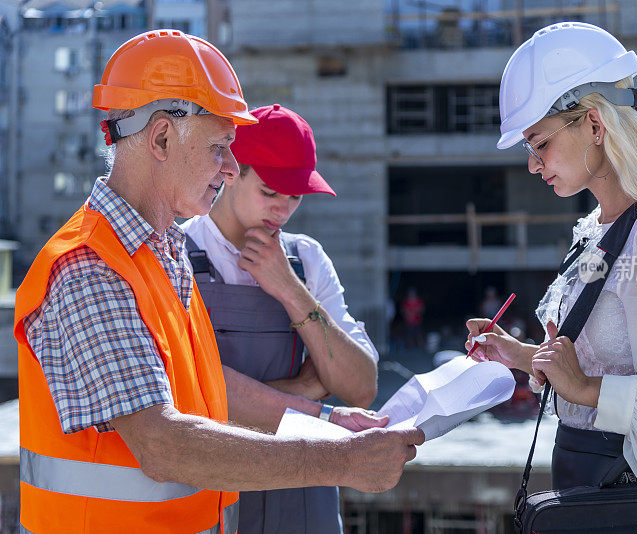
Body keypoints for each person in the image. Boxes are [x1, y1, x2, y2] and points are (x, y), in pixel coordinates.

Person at [14, 30, 424, 534]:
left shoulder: (161, 254)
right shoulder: (88, 269)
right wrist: (337, 462)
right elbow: (164, 444)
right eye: (220, 147)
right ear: (162, 138)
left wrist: (327, 423)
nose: (230, 168)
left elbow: (211, 396)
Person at [465, 22, 637, 508]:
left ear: (594, 124)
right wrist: (520, 355)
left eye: (539, 143)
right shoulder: (598, 230)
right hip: (589, 488)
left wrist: (586, 388)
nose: (533, 165)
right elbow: (595, 366)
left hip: (626, 499)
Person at [180, 103, 379, 534]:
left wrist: (289, 288)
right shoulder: (173, 255)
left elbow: (361, 387)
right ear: (232, 170)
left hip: (304, 494)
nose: (283, 211)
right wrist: (304, 390)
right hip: (211, 490)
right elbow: (184, 398)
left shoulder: (306, 260)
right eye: (271, 192)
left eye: (295, 196)